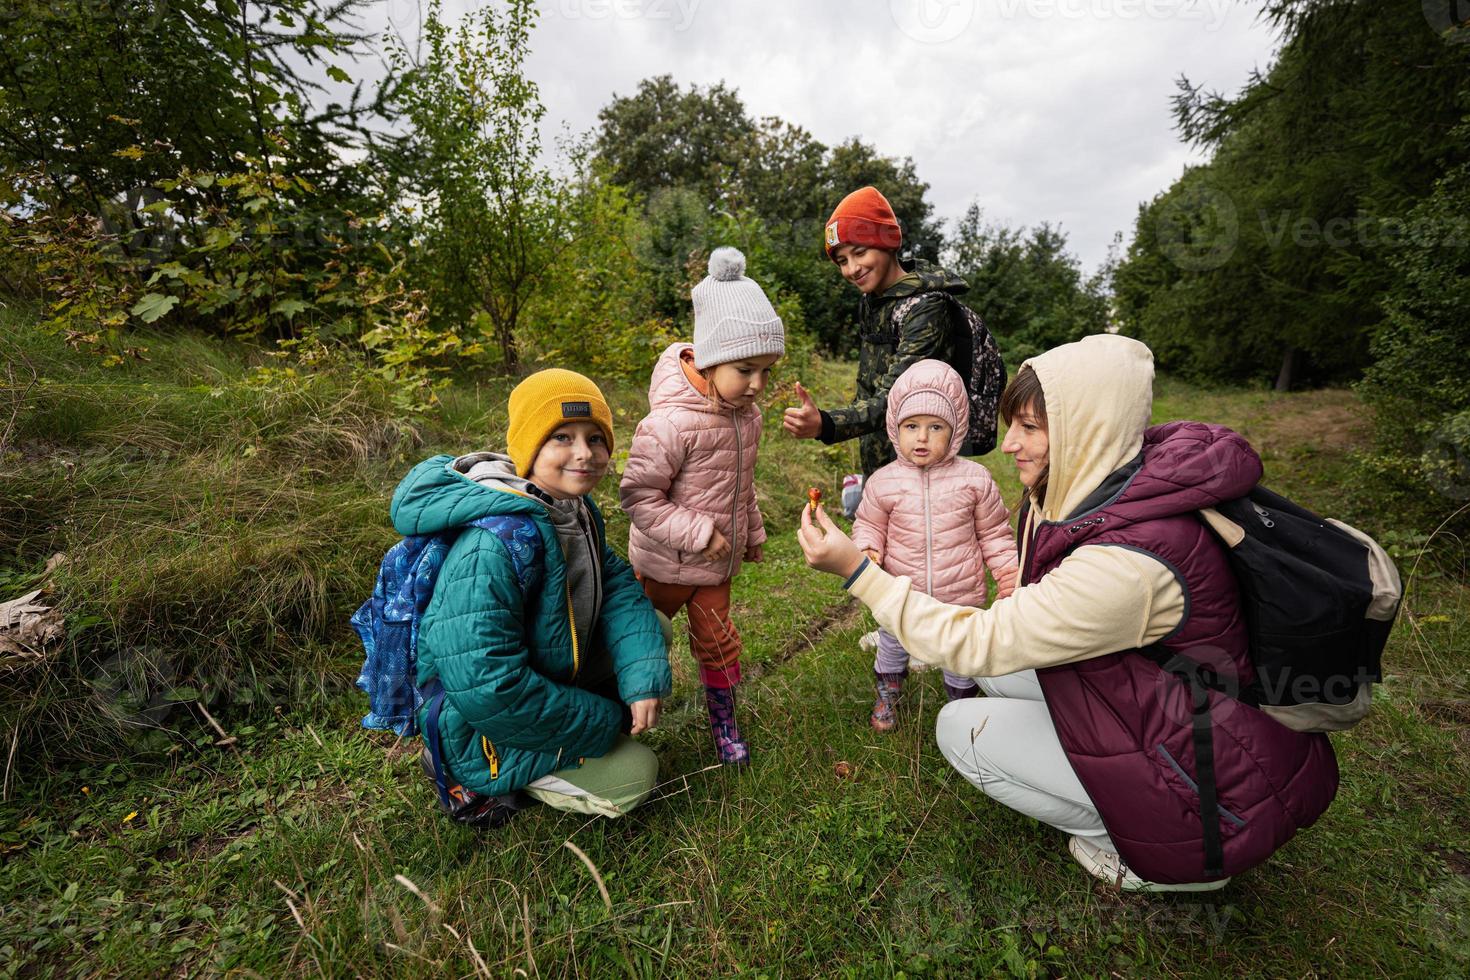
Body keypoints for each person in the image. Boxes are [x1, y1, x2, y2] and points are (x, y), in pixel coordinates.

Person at [797, 335, 1339, 891]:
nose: (1008, 446)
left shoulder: (1130, 565)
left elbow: (978, 640)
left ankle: (1155, 853)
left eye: (1030, 428)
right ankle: (1125, 789)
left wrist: (858, 573)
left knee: (959, 726)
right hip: (1186, 717)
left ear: (1087, 429)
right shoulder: (1127, 488)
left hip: (1214, 793)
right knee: (995, 669)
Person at [393, 368, 672, 826]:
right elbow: (489, 686)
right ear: (528, 448)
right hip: (479, 729)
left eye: (596, 438)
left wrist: (641, 675)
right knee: (636, 774)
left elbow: (617, 583)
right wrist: (607, 720)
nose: (584, 453)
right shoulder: (495, 543)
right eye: (562, 437)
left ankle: (566, 733)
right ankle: (480, 780)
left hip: (539, 676)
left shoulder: (569, 509)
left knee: (652, 630)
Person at [620, 248, 784, 765]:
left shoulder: (747, 417)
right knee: (646, 637)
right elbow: (638, 496)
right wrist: (694, 532)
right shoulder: (668, 423)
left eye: (766, 371)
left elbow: (742, 486)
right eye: (745, 369)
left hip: (715, 566)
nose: (757, 385)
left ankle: (723, 716)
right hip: (665, 564)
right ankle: (620, 709)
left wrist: (751, 534)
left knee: (718, 640)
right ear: (710, 360)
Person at [850, 359, 1019, 730]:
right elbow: (869, 524)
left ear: (955, 430)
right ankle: (888, 696)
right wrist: (868, 549)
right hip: (901, 595)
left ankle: (963, 710)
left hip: (960, 597)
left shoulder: (974, 480)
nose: (922, 438)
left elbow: (995, 535)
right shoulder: (883, 482)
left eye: (935, 427)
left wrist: (1008, 576)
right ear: (896, 428)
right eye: (912, 426)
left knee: (961, 657)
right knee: (892, 646)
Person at [782, 185, 968, 479]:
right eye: (842, 260)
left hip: (922, 466)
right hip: (881, 461)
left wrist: (826, 424)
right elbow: (867, 386)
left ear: (888, 242)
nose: (852, 269)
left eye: (859, 252)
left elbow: (896, 398)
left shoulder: (927, 308)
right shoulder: (873, 301)